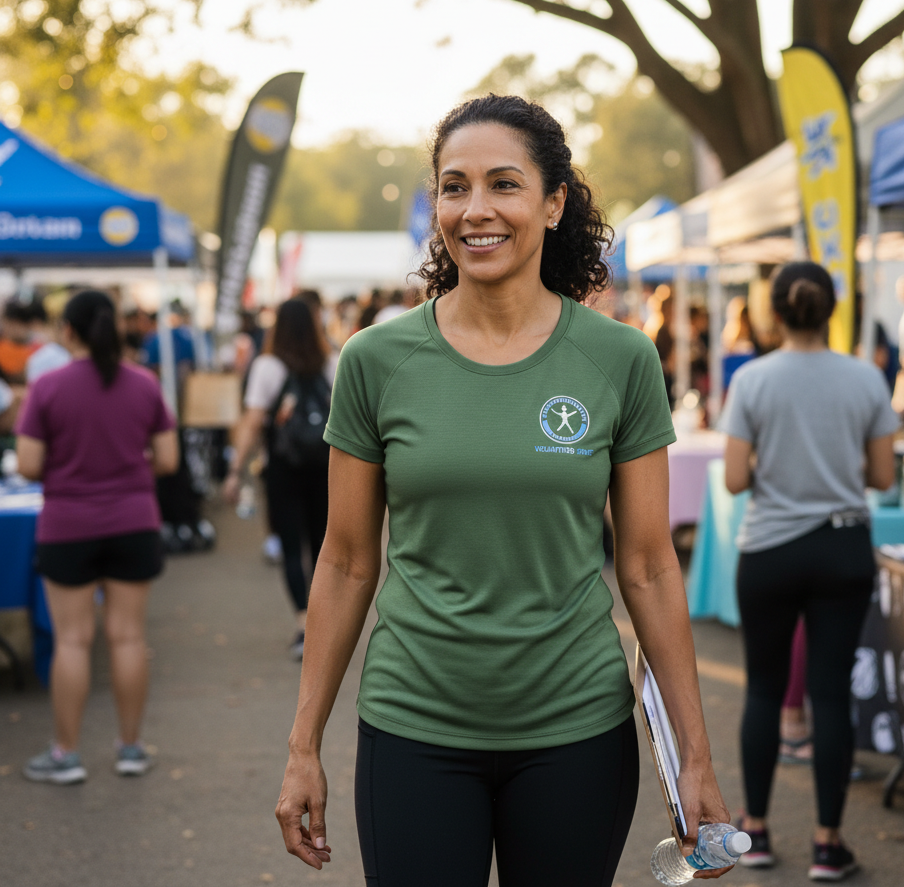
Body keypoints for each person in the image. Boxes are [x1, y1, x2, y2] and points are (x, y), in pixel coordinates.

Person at [274, 95, 732, 887]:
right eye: (454, 187)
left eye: (503, 185)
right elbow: (347, 563)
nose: (475, 210)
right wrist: (303, 745)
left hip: (577, 733)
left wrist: (695, 756)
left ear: (554, 204)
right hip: (412, 727)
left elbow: (651, 567)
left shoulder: (619, 360)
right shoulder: (375, 361)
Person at [722, 261, 897, 881]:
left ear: (774, 312)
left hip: (770, 550)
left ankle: (759, 833)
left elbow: (735, 479)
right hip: (843, 547)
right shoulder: (866, 379)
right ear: (832, 310)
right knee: (830, 693)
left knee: (765, 690)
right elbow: (882, 477)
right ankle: (828, 844)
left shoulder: (752, 380)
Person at [15, 290, 178, 784]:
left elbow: (27, 464)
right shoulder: (144, 384)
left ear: (68, 330)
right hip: (134, 521)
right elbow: (168, 461)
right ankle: (130, 748)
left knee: (72, 640)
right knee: (128, 636)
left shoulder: (47, 386)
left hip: (68, 526)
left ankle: (65, 754)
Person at [223, 297, 338, 659]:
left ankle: (304, 623)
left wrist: (234, 468)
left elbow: (254, 420)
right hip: (326, 466)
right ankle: (327, 625)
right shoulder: (332, 362)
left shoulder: (267, 366)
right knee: (324, 547)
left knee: (291, 546)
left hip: (283, 467)